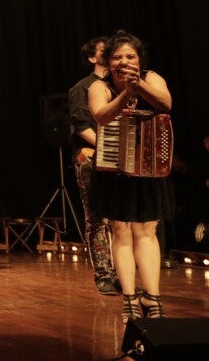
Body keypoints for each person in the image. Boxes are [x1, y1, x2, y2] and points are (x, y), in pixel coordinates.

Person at [87, 30, 174, 323]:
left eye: (130, 56)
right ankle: (129, 298)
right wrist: (127, 92)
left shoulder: (153, 77)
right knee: (121, 230)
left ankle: (153, 296)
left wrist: (139, 85)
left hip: (148, 168)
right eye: (117, 57)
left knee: (147, 231)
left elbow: (166, 104)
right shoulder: (100, 87)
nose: (124, 61)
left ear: (139, 60)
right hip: (115, 170)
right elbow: (100, 116)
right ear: (108, 63)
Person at [68, 36, 122, 295]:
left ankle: (124, 272)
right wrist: (110, 148)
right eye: (105, 50)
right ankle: (104, 274)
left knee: (122, 219)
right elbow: (81, 126)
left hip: (121, 160)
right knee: (97, 219)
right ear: (92, 58)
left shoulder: (117, 86)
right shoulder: (84, 87)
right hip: (92, 158)